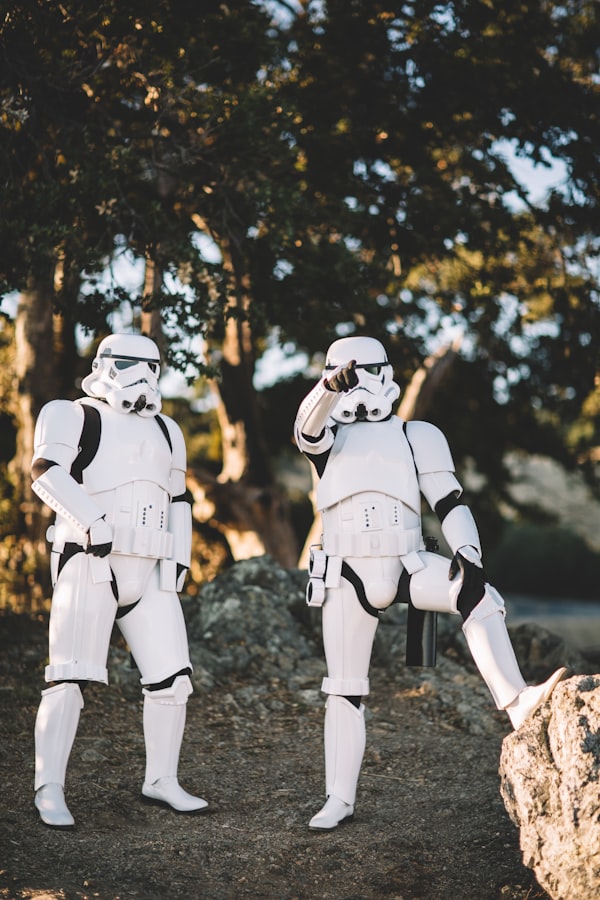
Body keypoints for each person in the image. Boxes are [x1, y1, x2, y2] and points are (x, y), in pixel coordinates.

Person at [294, 335, 566, 832]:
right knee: (344, 689)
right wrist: (329, 389)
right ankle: (339, 797)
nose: (354, 387)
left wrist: (468, 555)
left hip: (409, 563)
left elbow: (449, 502)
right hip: (346, 571)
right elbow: (306, 429)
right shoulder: (327, 438)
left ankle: (517, 700)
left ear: (385, 374)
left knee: (479, 596)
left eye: (359, 374)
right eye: (342, 376)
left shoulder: (416, 434)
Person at [31, 333, 207, 828]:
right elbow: (45, 471)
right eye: (129, 364)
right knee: (67, 676)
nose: (142, 375)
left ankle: (162, 780)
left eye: (152, 365)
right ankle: (49, 787)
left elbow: (179, 499)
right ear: (103, 364)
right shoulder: (71, 413)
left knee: (173, 680)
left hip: (150, 569)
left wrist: (180, 558)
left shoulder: (168, 429)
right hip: (90, 560)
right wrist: (91, 522)